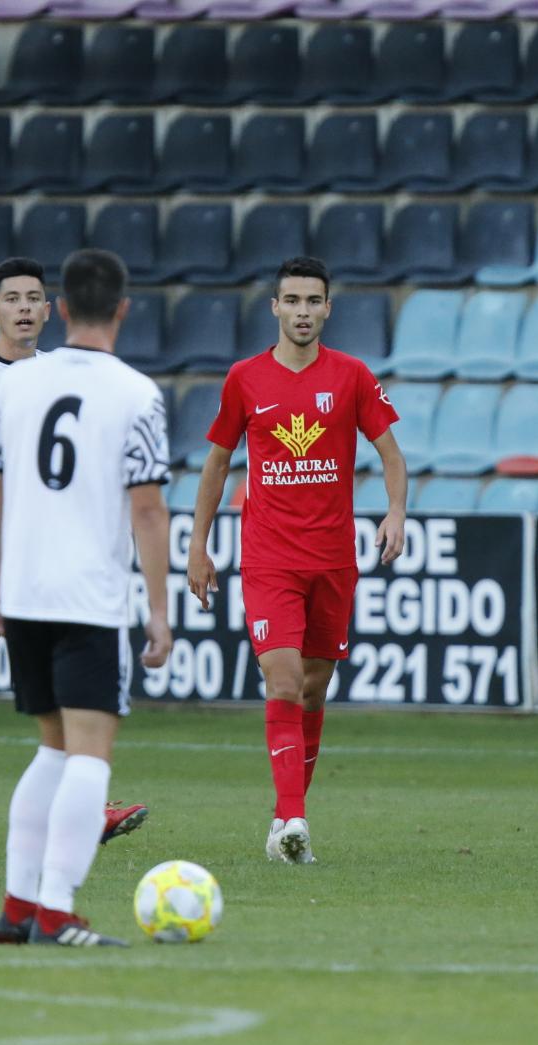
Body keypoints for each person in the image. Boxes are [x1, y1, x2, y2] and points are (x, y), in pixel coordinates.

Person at [0, 249, 174, 947]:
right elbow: (148, 511)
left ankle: (15, 906)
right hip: (88, 596)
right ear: (123, 309)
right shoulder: (136, 394)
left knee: (53, 749)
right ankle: (55, 909)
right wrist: (158, 608)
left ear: (60, 309)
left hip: (26, 590)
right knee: (91, 753)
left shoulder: (18, 385)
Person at [184, 256, 407, 865]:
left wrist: (395, 511)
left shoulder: (354, 376)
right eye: (293, 301)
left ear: (328, 309)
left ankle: (284, 820)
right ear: (275, 308)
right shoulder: (245, 378)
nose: (303, 312)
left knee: (313, 690)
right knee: (281, 679)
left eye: (314, 301)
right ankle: (295, 819)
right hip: (269, 558)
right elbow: (216, 462)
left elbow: (390, 451)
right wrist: (198, 545)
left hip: (333, 560)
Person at [0, 257, 148, 848]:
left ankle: (87, 805)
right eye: (13, 298)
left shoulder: (61, 372)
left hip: (51, 550)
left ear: (50, 309)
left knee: (68, 679)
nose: (25, 308)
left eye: (35, 298)